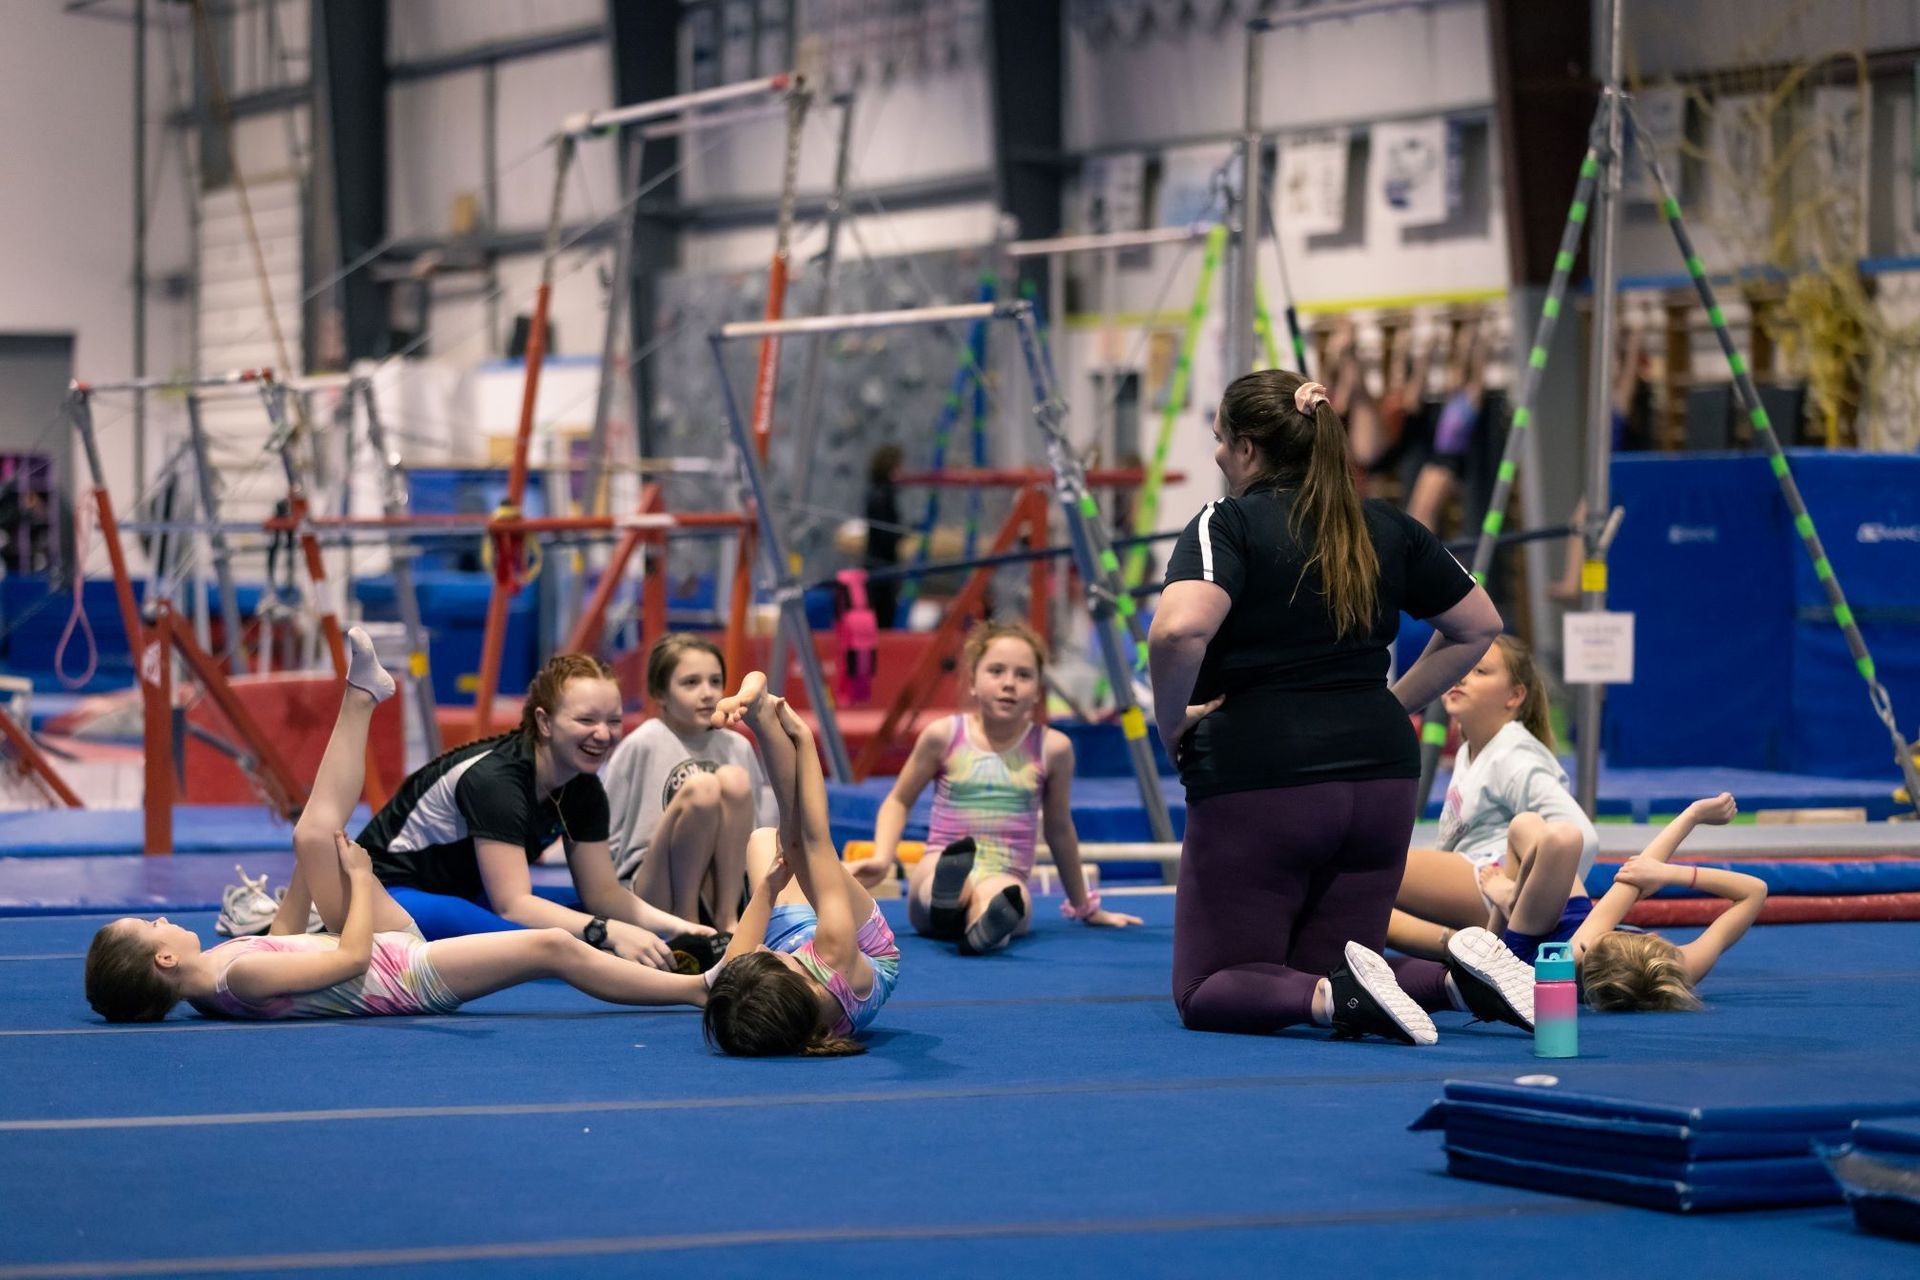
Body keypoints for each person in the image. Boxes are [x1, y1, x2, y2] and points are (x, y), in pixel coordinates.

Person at [1150, 368, 1533, 1046]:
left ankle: (1345, 996)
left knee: (1209, 987)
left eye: (1218, 440)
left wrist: (1172, 721)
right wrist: (1394, 703)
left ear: (1246, 449)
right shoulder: (1384, 523)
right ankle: (1454, 979)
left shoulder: (1227, 523)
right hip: (1381, 776)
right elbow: (1479, 624)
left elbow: (1179, 629)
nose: (1215, 455)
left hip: (1263, 774)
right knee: (1331, 969)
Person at [83, 630, 708, 1023]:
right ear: (163, 957)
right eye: (151, 923)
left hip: (377, 944)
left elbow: (289, 937)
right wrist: (356, 875)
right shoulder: (235, 977)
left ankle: (360, 696)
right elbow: (349, 957)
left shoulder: (220, 975)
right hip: (403, 972)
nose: (161, 917)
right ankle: (695, 992)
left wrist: (310, 865)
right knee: (551, 948)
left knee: (308, 835)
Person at [352, 651, 708, 967]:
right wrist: (608, 934)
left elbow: (603, 893)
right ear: (545, 722)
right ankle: (637, 966)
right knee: (554, 944)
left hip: (471, 892)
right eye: (586, 721)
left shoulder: (583, 787)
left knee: (578, 912)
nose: (603, 734)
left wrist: (681, 927)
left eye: (613, 721)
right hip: (390, 893)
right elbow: (514, 906)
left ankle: (663, 949)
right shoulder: (495, 781)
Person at [848, 621, 1141, 953]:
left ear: (1037, 689)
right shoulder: (944, 735)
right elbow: (899, 800)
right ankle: (948, 899)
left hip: (1004, 870)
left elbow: (1060, 830)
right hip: (942, 857)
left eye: (1023, 675)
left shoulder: (1052, 748)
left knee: (1009, 899)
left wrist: (1085, 905)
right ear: (972, 681)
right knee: (936, 879)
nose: (1009, 684)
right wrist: (883, 857)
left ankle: (985, 927)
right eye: (997, 671)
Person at [701, 674, 900, 1055]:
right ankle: (761, 719)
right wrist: (804, 740)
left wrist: (770, 887)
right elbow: (815, 841)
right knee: (794, 843)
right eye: (767, 954)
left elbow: (746, 959)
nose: (760, 945)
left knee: (763, 841)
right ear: (799, 975)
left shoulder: (755, 1001)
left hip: (795, 967)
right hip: (868, 952)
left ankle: (758, 714)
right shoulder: (836, 957)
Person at [1386, 634, 1599, 960]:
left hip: (1493, 883)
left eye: (1479, 671)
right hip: (1479, 888)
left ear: (1514, 696)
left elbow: (1581, 835)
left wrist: (1535, 905)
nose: (1461, 676)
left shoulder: (1514, 755)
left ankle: (1481, 948)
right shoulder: (1470, 749)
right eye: (1460, 667)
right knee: (1361, 905)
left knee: (1369, 864)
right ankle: (1472, 949)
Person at [603, 634, 771, 932]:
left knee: (733, 779)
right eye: (691, 683)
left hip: (722, 884)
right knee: (703, 787)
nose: (707, 693)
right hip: (653, 885)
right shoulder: (642, 744)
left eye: (715, 681)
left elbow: (753, 833)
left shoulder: (737, 747)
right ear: (660, 694)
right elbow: (606, 832)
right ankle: (686, 920)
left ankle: (727, 919)